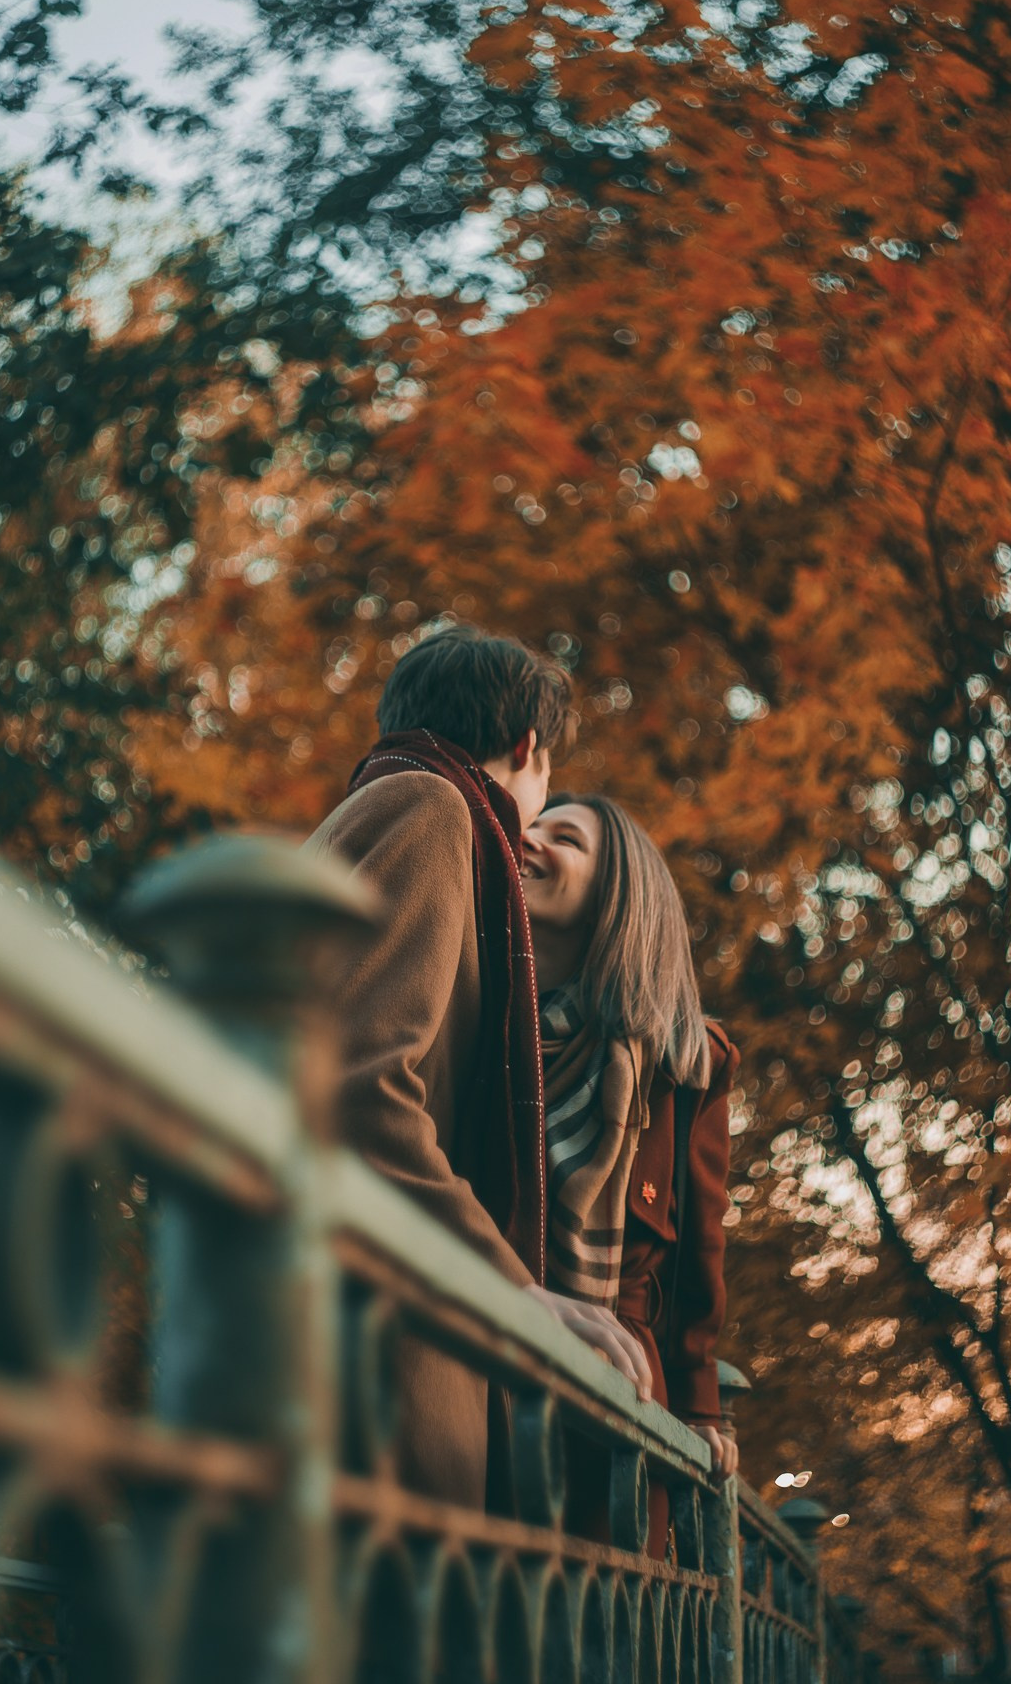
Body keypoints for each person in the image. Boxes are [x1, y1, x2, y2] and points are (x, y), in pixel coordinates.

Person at [305, 627, 650, 1507]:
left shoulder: (388, 804)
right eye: (546, 790)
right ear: (528, 748)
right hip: (373, 1355)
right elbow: (362, 1094)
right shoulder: (431, 809)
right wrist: (511, 1291)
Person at [521, 791, 738, 1554]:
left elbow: (697, 1253)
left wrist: (703, 1408)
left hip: (619, 1389)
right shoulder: (486, 1023)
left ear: (618, 895)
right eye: (531, 824)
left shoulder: (687, 1061)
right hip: (491, 1353)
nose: (528, 838)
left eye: (565, 837)